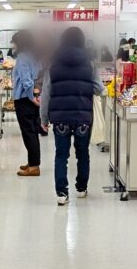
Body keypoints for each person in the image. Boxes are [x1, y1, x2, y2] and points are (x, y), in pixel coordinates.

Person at [40, 26, 104, 205]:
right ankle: (81, 189)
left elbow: (46, 93)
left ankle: (62, 193)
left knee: (61, 155)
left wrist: (44, 118)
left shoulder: (52, 63)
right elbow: (100, 89)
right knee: (83, 154)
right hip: (83, 116)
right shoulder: (90, 63)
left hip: (60, 117)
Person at [10, 30, 41, 177]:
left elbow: (26, 80)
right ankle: (33, 161)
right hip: (31, 97)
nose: (12, 44)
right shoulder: (34, 56)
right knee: (32, 131)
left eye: (14, 41)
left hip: (23, 99)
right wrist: (35, 96)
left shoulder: (22, 57)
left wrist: (30, 97)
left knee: (28, 132)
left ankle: (34, 166)